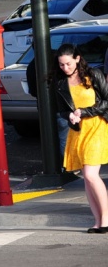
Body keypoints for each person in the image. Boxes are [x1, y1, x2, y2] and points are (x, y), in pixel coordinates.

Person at [54, 43, 108, 233]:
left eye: (68, 64)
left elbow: (107, 101)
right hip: (78, 130)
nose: (65, 68)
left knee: (91, 175)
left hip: (98, 126)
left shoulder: (93, 74)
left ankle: (106, 219)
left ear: (77, 59)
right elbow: (61, 110)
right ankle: (97, 220)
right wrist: (68, 115)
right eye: (61, 65)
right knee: (87, 179)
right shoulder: (61, 83)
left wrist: (84, 111)